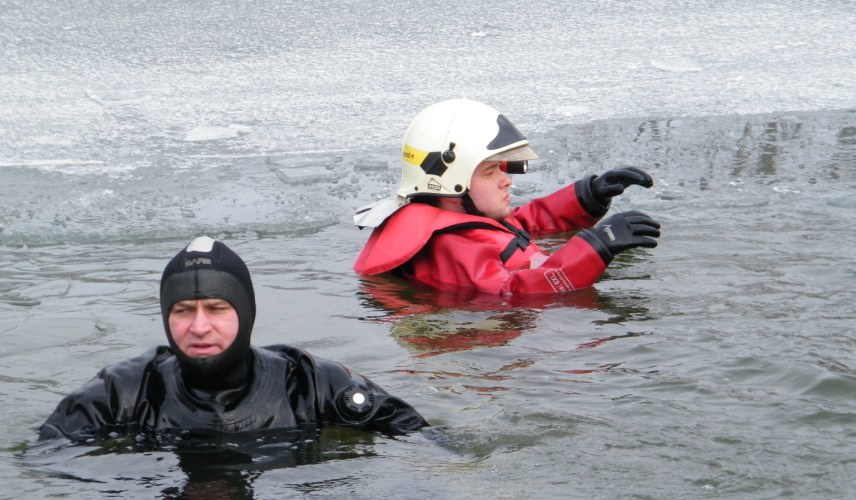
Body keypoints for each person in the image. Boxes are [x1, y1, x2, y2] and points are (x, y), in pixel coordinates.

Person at [38, 236, 427, 441]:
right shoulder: (122, 393)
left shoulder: (310, 384)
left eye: (217, 308)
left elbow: (424, 442)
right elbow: (45, 463)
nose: (200, 326)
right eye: (182, 311)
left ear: (246, 312)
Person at [353, 98, 661, 295]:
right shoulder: (453, 246)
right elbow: (513, 292)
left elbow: (518, 229)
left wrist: (587, 196)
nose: (507, 181)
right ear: (451, 184)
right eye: (490, 173)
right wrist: (597, 245)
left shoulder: (461, 219)